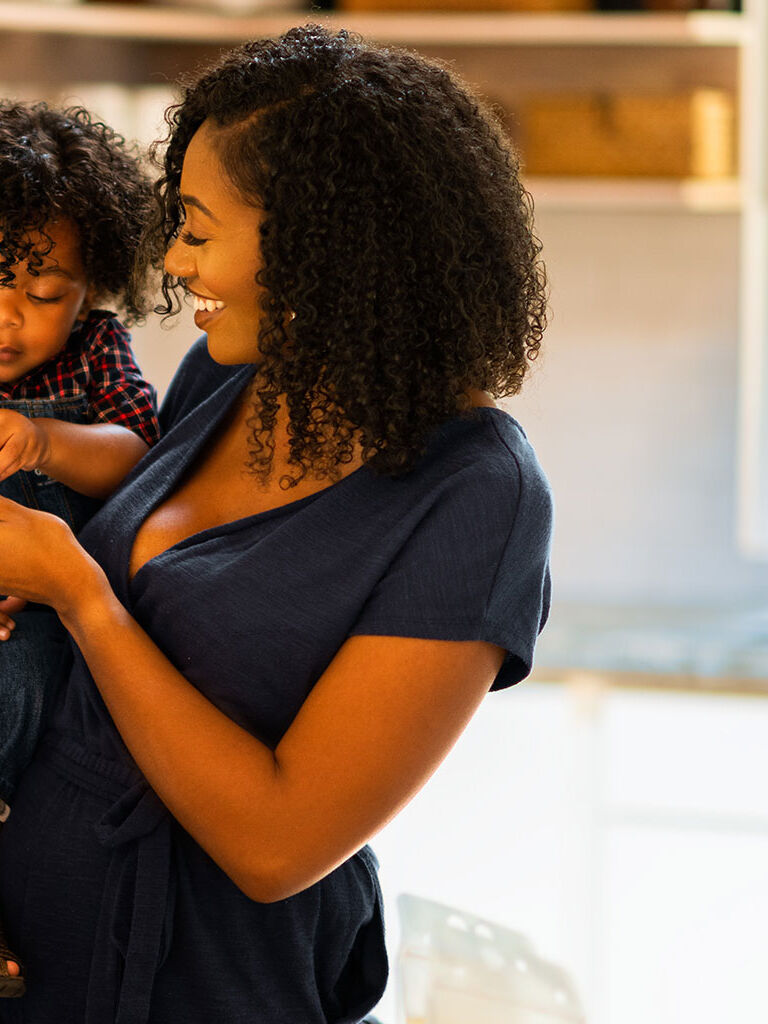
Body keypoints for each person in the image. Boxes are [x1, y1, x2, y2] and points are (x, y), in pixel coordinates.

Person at [0, 24, 553, 1023]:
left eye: (200, 229)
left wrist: (76, 591)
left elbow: (278, 845)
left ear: (321, 244)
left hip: (212, 989)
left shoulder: (477, 494)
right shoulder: (229, 373)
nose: (174, 259)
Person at [0, 102, 159, 996]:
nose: (8, 318)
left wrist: (50, 444)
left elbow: (140, 455)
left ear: (92, 287)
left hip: (50, 621)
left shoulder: (96, 355)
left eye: (43, 292)